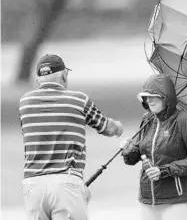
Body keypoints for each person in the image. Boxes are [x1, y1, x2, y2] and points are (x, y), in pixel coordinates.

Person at [19, 54, 123, 220]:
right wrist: (119, 127)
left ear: (39, 79)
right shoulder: (78, 100)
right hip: (65, 182)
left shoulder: (24, 102)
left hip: (33, 185)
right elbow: (108, 129)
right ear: (64, 75)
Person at [120, 74, 187, 220]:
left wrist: (165, 171)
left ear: (165, 97)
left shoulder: (184, 120)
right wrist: (129, 151)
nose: (148, 100)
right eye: (146, 97)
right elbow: (135, 158)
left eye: (153, 96)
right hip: (148, 199)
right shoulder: (147, 119)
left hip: (178, 201)